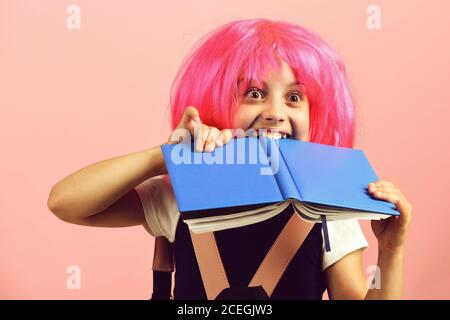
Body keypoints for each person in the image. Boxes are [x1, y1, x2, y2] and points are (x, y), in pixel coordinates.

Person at [47, 18, 412, 300]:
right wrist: (167, 157)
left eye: (295, 97)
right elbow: (67, 203)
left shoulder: (327, 211)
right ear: (215, 100)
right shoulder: (181, 194)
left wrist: (391, 252)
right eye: (254, 93)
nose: (274, 113)